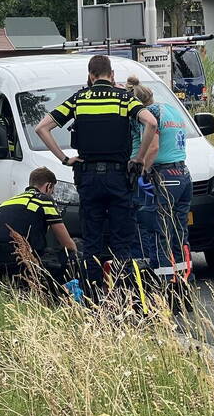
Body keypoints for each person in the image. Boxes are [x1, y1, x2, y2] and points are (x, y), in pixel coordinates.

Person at [34, 55, 158, 296]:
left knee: (92, 241)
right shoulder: (124, 98)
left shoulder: (78, 99)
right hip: (119, 177)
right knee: (122, 242)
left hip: (88, 178)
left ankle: (93, 299)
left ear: (90, 76)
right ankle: (124, 297)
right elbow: (151, 123)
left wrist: (64, 158)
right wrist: (140, 158)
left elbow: (42, 128)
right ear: (111, 76)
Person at [126, 76, 193, 285]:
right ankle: (184, 280)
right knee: (179, 231)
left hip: (163, 175)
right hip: (183, 174)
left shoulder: (150, 115)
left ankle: (165, 283)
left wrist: (142, 171)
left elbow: (153, 147)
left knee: (159, 231)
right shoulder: (170, 109)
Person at [0, 167, 77, 290]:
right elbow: (67, 244)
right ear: (48, 186)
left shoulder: (7, 202)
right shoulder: (44, 199)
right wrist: (76, 252)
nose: (52, 194)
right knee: (70, 257)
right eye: (52, 190)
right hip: (21, 260)